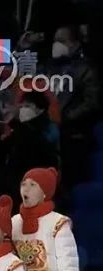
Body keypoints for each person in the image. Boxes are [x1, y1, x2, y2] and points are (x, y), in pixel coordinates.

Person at [43, 25, 100, 190]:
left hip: (74, 135)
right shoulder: (49, 68)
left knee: (71, 183)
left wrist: (65, 118)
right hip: (49, 135)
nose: (57, 45)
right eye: (55, 40)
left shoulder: (86, 69)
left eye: (62, 41)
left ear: (75, 44)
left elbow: (92, 102)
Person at [0, 91, 59, 206]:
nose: (22, 110)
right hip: (15, 189)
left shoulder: (48, 130)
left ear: (40, 109)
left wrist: (15, 123)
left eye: (27, 106)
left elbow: (39, 149)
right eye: (21, 106)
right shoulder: (18, 130)